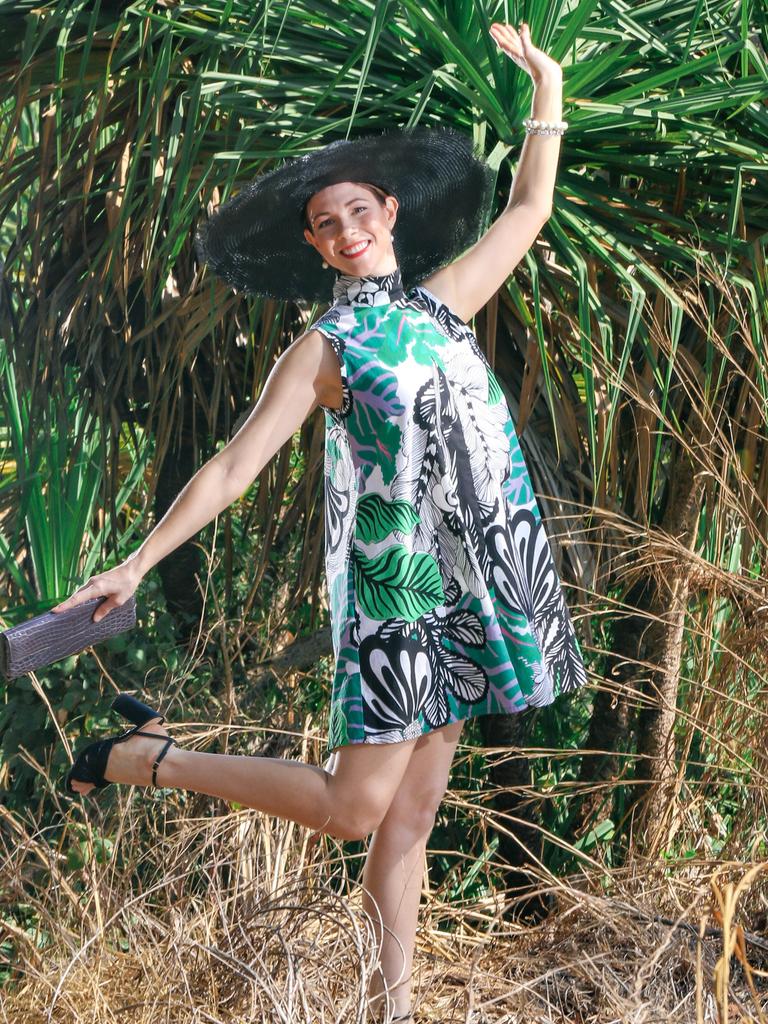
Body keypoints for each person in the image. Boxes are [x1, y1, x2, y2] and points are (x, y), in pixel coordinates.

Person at [52, 22, 586, 1024]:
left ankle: (392, 1010)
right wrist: (135, 561)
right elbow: (233, 465)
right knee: (354, 809)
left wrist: (547, 88)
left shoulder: (443, 306)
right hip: (401, 589)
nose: (348, 232)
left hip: (479, 579)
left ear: (389, 212)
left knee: (410, 817)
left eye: (359, 212)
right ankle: (145, 759)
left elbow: (530, 205)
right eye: (327, 224)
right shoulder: (325, 347)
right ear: (314, 244)